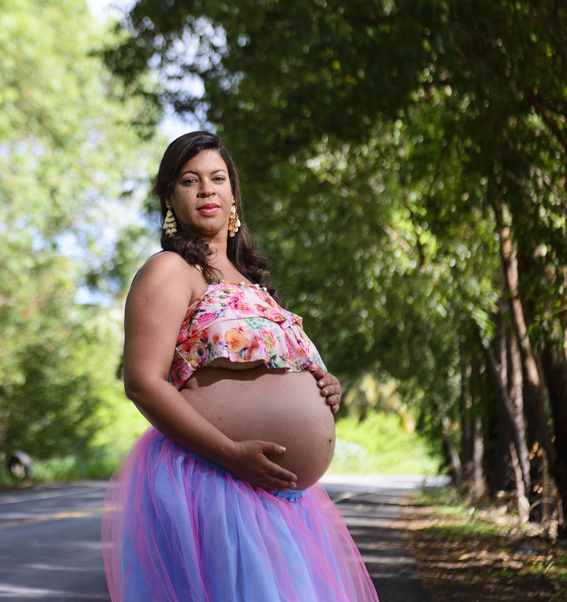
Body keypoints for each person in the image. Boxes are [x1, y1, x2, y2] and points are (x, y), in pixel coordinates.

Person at [103, 131, 379, 602]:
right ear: (169, 197)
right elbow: (143, 384)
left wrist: (323, 385)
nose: (207, 190)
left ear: (233, 196)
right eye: (190, 180)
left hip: (280, 498)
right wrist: (231, 455)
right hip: (217, 479)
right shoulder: (170, 270)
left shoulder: (252, 285)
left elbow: (272, 365)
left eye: (218, 178)